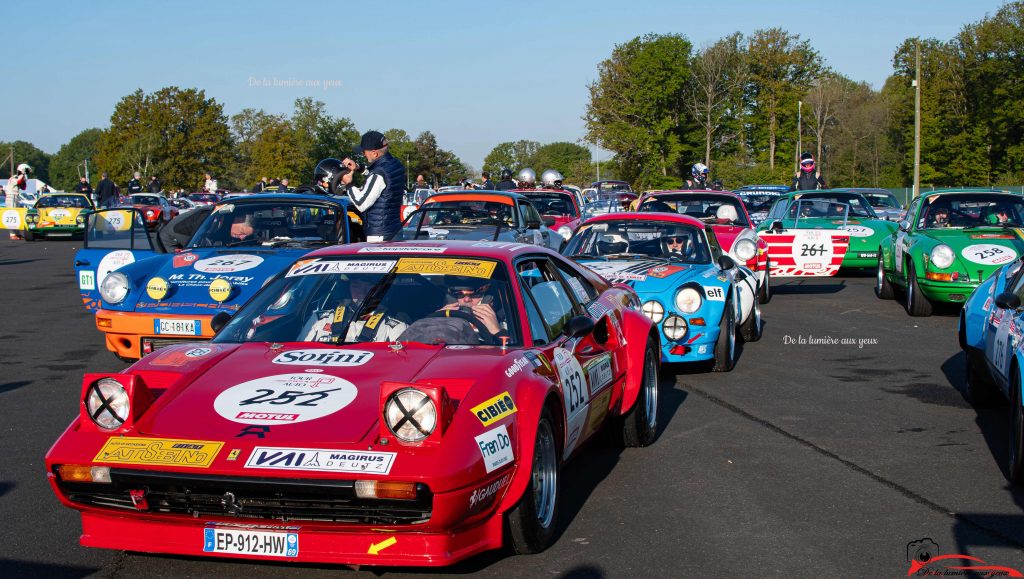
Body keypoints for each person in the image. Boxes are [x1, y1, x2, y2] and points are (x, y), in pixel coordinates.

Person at [340, 130, 407, 242]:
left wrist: (348, 184)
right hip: (394, 229)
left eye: (364, 152)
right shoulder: (396, 165)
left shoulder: (378, 174)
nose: (363, 154)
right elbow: (383, 179)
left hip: (379, 234)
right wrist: (358, 167)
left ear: (375, 153)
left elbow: (361, 203)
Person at [302, 276, 407, 343]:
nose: (362, 293)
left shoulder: (394, 327)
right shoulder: (320, 320)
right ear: (347, 288)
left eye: (369, 288)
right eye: (356, 286)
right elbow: (298, 349)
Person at [437, 276, 506, 343]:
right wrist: (435, 323)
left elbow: (510, 351)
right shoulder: (440, 317)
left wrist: (497, 332)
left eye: (475, 293)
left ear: (487, 297)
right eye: (459, 293)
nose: (467, 299)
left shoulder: (508, 318)